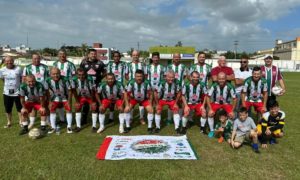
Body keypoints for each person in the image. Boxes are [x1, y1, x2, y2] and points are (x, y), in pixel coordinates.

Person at [22, 53, 50, 128]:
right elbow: (24, 80)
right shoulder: (27, 67)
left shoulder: (45, 67)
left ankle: (47, 121)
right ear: (32, 59)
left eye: (38, 58)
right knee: (33, 108)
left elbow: (48, 79)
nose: (36, 60)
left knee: (45, 106)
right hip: (31, 92)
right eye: (35, 58)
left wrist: (47, 90)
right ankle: (32, 122)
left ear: (40, 59)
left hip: (43, 91)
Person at [206, 72, 237, 137]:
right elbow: (208, 97)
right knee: (210, 113)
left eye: (223, 79)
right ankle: (212, 130)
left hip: (226, 103)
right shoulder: (213, 85)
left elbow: (234, 99)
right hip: (216, 103)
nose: (221, 80)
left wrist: (232, 110)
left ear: (226, 79)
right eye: (219, 79)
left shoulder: (230, 86)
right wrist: (210, 109)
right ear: (217, 79)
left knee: (232, 115)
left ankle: (229, 130)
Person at [45, 68, 73, 134]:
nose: (55, 75)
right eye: (53, 74)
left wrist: (69, 101)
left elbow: (69, 91)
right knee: (52, 109)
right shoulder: (47, 80)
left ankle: (69, 127)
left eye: (57, 74)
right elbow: (47, 92)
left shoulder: (65, 79)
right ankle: (53, 127)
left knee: (68, 109)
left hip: (64, 97)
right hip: (55, 97)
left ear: (60, 73)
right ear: (50, 74)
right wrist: (49, 101)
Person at [154, 70, 182, 134]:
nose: (171, 79)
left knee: (176, 109)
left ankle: (177, 128)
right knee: (158, 110)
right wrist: (157, 104)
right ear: (166, 77)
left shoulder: (177, 82)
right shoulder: (161, 83)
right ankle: (157, 127)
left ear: (174, 77)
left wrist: (176, 103)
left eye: (172, 77)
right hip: (162, 99)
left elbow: (179, 93)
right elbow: (155, 92)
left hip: (172, 100)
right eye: (169, 77)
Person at [53, 49, 76, 124]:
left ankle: (69, 120)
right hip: (58, 86)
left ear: (66, 55)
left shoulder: (70, 64)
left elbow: (74, 75)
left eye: (64, 54)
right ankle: (62, 119)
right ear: (58, 55)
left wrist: (72, 86)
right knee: (59, 102)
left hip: (68, 87)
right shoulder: (55, 64)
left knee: (68, 102)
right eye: (60, 54)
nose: (62, 55)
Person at [125, 50, 147, 125]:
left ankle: (141, 118)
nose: (135, 56)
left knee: (141, 102)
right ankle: (130, 118)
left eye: (136, 55)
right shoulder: (128, 65)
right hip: (132, 86)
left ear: (139, 56)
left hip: (141, 85)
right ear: (132, 56)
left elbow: (145, 75)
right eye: (134, 55)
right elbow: (126, 75)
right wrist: (131, 82)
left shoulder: (142, 64)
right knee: (132, 101)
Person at [0, 56, 22, 128]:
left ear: (13, 61)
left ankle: (21, 121)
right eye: (7, 61)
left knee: (19, 108)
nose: (9, 62)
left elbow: (22, 79)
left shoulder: (18, 69)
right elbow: (3, 79)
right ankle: (9, 122)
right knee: (8, 109)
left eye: (10, 60)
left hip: (17, 92)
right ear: (5, 62)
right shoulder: (2, 70)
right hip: (6, 93)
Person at [72, 68, 97, 132]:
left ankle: (94, 126)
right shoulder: (74, 79)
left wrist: (92, 102)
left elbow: (93, 91)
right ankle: (78, 126)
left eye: (83, 75)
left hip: (90, 96)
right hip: (81, 96)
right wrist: (77, 101)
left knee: (94, 107)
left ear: (86, 74)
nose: (81, 76)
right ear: (76, 75)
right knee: (77, 107)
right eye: (79, 75)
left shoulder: (90, 79)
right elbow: (74, 90)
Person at [166, 53, 187, 125]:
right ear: (173, 58)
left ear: (180, 58)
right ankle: (169, 118)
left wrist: (180, 84)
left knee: (180, 103)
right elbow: (167, 76)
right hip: (171, 87)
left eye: (178, 57)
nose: (176, 59)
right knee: (170, 102)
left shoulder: (183, 66)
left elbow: (184, 76)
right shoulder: (169, 66)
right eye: (175, 57)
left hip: (180, 87)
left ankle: (180, 118)